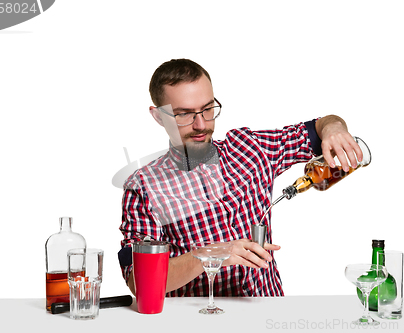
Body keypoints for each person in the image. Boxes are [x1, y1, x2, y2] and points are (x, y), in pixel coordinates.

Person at [118, 59, 363, 297]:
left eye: (208, 109)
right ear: (159, 116)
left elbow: (320, 126)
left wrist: (334, 129)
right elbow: (139, 282)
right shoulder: (144, 186)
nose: (201, 124)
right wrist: (210, 253)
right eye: (184, 114)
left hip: (269, 316)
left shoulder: (251, 148)